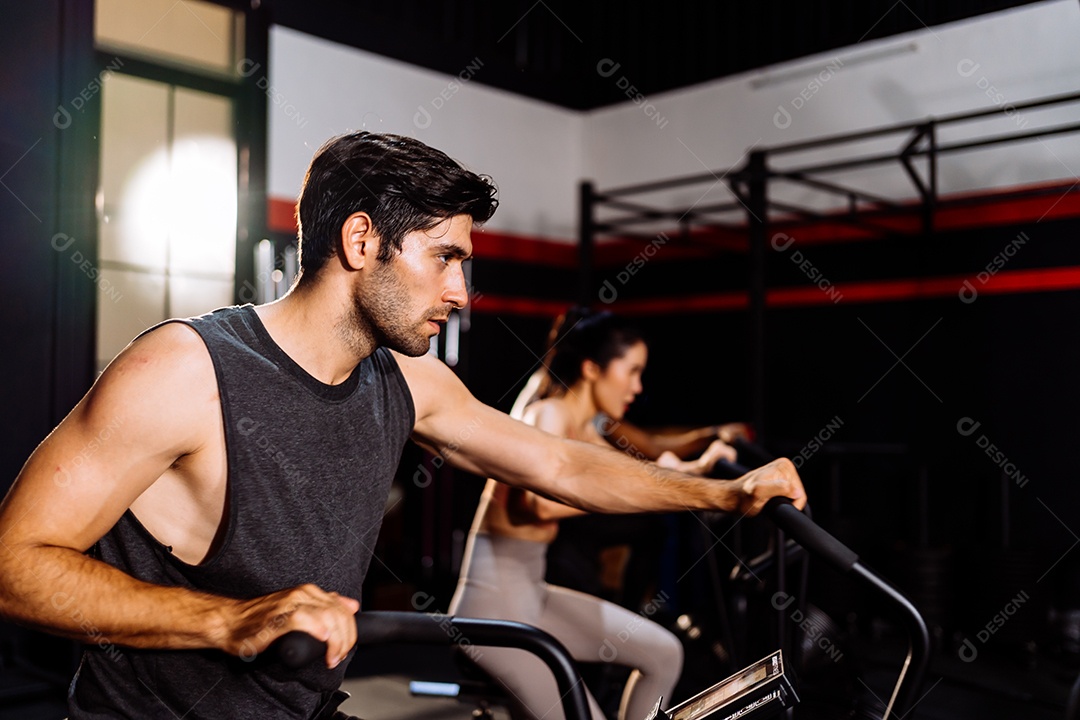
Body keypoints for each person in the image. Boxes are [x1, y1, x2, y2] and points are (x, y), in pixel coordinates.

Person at [0, 131, 805, 720]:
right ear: (361, 241)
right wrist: (225, 619)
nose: (462, 292)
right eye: (445, 257)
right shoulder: (184, 370)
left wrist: (721, 494)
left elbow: (558, 466)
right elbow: (14, 563)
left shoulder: (408, 381)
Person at [448, 308, 739, 720]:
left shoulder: (587, 429)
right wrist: (638, 486)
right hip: (492, 613)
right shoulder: (547, 414)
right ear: (591, 369)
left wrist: (702, 468)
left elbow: (636, 474)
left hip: (531, 594)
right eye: (632, 371)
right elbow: (539, 502)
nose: (638, 387)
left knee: (664, 653)